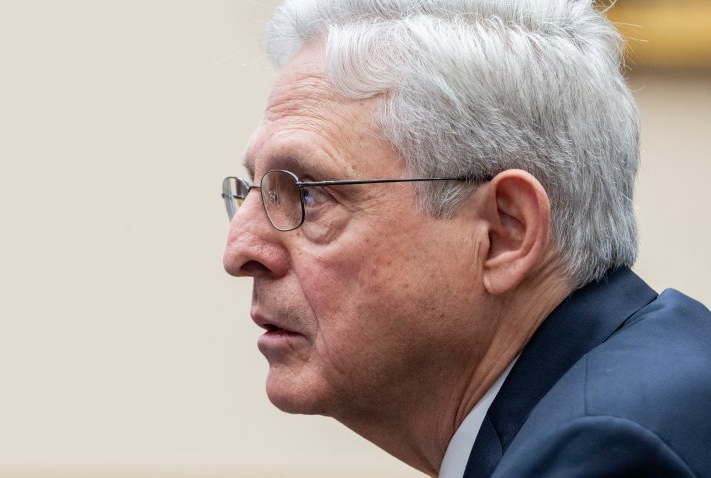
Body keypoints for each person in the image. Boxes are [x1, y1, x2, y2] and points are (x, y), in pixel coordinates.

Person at [221, 0, 711, 476]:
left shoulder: (609, 452)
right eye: (252, 192)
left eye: (306, 195)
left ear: (504, 234)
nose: (239, 251)